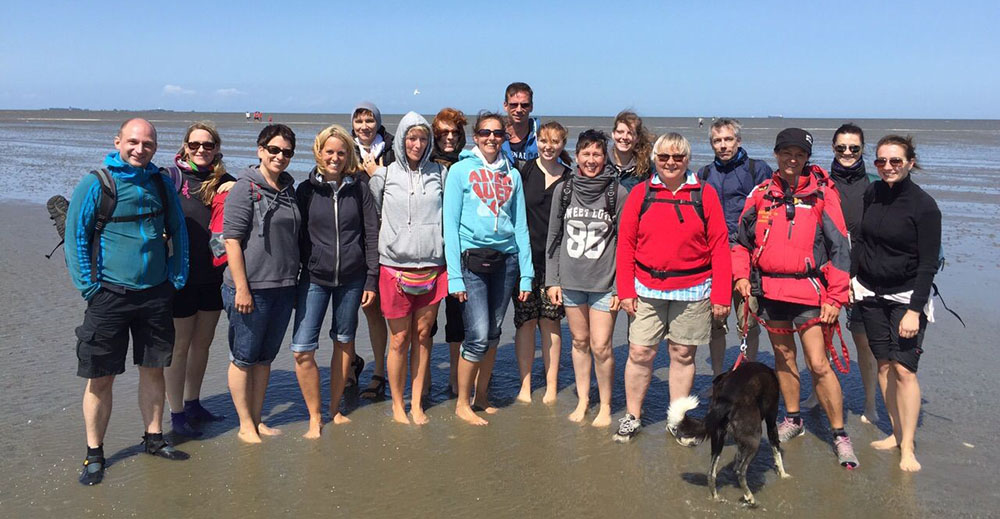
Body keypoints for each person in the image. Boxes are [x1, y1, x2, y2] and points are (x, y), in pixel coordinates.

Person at [65, 118, 190, 485]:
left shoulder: (160, 183)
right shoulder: (96, 183)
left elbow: (178, 230)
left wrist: (176, 276)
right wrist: (90, 288)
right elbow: (76, 238)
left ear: (155, 147)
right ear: (118, 141)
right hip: (109, 296)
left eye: (148, 144)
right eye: (133, 142)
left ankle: (154, 438)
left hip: (154, 294)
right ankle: (94, 454)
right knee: (100, 377)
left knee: (154, 369)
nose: (140, 149)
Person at [732, 128, 858, 468]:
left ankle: (839, 434)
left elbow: (840, 251)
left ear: (806, 158)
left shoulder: (822, 195)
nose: (792, 158)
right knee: (783, 358)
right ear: (776, 154)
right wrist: (741, 276)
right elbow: (741, 242)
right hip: (771, 292)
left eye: (799, 154)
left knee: (818, 363)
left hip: (810, 292)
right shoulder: (760, 194)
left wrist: (835, 297)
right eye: (786, 152)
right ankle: (793, 418)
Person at [613, 132, 731, 442]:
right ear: (654, 159)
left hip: (693, 288)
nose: (670, 162)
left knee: (682, 354)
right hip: (646, 288)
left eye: (678, 157)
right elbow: (625, 244)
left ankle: (677, 419)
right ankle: (632, 416)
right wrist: (625, 289)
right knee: (639, 352)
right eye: (664, 156)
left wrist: (721, 295)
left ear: (688, 160)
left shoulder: (704, 194)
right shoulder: (641, 193)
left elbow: (720, 246)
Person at [854, 135, 940, 472]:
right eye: (881, 161)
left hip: (906, 298)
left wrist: (915, 311)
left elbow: (928, 264)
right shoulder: (872, 193)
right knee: (885, 365)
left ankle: (908, 447)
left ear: (910, 162)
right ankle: (895, 430)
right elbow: (862, 239)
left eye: (895, 161)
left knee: (905, 370)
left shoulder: (924, 206)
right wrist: (852, 277)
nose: (887, 167)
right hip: (871, 295)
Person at [444, 111, 532, 425]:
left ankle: (481, 397)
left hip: (506, 262)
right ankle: (462, 403)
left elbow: (520, 226)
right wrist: (454, 276)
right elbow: (450, 226)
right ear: (476, 136)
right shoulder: (459, 171)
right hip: (471, 263)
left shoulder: (513, 175)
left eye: (498, 133)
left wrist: (527, 273)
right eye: (485, 133)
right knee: (478, 335)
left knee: (494, 333)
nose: (492, 138)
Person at [292, 124, 379, 436]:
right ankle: (314, 416)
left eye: (341, 152)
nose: (335, 157)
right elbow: (296, 237)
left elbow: (371, 235)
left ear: (349, 155)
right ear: (318, 152)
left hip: (353, 279)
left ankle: (334, 408)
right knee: (302, 348)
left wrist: (371, 279)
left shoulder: (360, 190)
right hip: (314, 278)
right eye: (329, 151)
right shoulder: (304, 190)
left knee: (343, 342)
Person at [222, 124, 300, 444]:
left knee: (264, 359)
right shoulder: (245, 188)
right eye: (274, 150)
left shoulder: (289, 190)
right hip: (250, 287)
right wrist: (242, 287)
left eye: (286, 152)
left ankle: (257, 418)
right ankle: (244, 424)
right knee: (244, 357)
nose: (280, 156)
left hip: (283, 287)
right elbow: (230, 240)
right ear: (260, 150)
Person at [370, 112, 449, 424]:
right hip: (394, 269)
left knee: (423, 336)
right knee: (399, 340)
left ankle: (417, 403)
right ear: (402, 139)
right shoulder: (384, 176)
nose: (417, 144)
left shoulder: (440, 175)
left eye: (423, 138)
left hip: (433, 267)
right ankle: (398, 405)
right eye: (411, 138)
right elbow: (374, 217)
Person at [545, 129, 626, 426]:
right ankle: (583, 400)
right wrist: (552, 280)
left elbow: (626, 242)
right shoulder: (564, 190)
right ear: (576, 156)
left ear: (605, 158)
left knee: (601, 345)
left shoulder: (617, 192)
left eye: (597, 154)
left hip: (605, 283)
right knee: (579, 341)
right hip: (571, 281)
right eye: (586, 154)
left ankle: (605, 405)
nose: (591, 160)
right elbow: (553, 238)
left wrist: (621, 286)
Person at [801, 123, 878, 423]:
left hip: (863, 275)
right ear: (832, 148)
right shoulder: (820, 184)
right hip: (826, 275)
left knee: (863, 343)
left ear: (862, 150)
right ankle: (816, 392)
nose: (847, 153)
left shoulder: (873, 184)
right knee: (820, 341)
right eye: (841, 147)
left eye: (854, 148)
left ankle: (870, 404)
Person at [164, 122, 235, 438]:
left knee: (202, 345)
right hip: (179, 277)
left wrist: (235, 186)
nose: (201, 150)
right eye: (195, 145)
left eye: (208, 145)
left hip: (213, 277)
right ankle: (176, 413)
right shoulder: (171, 178)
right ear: (185, 147)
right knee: (180, 347)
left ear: (217, 148)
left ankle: (193, 403)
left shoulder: (225, 181)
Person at [701, 118, 773, 376]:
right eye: (717, 141)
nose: (723, 145)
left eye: (728, 139)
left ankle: (747, 375)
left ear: (738, 141)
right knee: (715, 321)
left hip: (748, 257)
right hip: (714, 257)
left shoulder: (757, 169)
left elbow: (770, 210)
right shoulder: (705, 174)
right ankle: (718, 377)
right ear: (711, 144)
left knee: (748, 321)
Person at [513, 122, 570, 404]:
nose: (549, 146)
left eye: (555, 141)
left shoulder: (569, 178)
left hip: (555, 265)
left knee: (550, 323)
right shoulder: (524, 171)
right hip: (525, 260)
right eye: (544, 140)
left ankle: (550, 386)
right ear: (537, 140)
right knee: (525, 322)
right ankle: (525, 384)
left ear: (563, 144)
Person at [351, 101, 393, 399]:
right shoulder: (343, 147)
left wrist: (378, 172)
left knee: (373, 308)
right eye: (359, 120)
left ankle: (379, 372)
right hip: (349, 235)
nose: (364, 125)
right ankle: (350, 362)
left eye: (369, 120)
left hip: (383, 236)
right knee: (346, 308)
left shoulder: (391, 151)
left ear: (378, 123)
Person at [430, 107, 469, 395]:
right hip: (429, 253)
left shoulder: (467, 164)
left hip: (459, 252)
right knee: (426, 322)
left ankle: (457, 378)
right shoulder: (427, 164)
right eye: (443, 133)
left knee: (457, 318)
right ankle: (425, 376)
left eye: (454, 132)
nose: (449, 138)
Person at [606, 110, 654, 192]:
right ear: (613, 134)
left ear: (637, 138)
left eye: (630, 133)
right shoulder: (603, 160)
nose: (624, 137)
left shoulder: (646, 167)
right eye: (620, 132)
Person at [501, 82, 539, 164]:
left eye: (524, 105)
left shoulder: (541, 137)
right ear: (505, 106)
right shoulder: (495, 136)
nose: (519, 110)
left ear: (531, 107)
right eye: (513, 105)